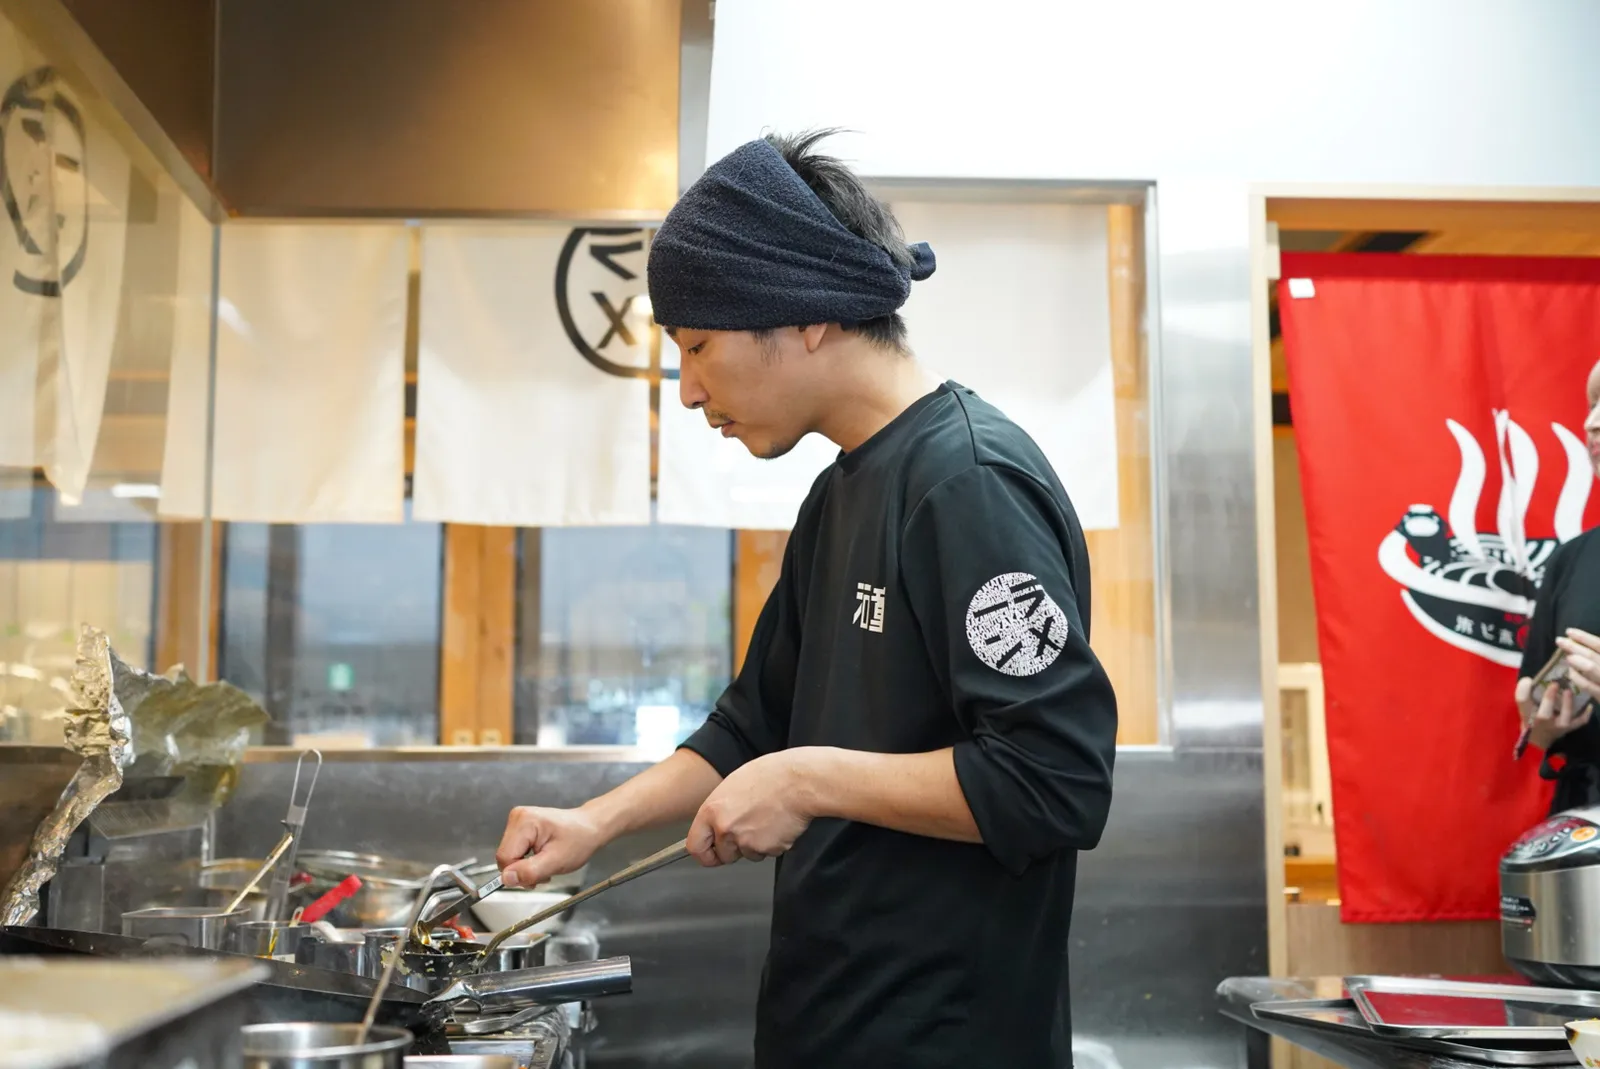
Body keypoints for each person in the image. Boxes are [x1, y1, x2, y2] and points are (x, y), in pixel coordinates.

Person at [496, 130, 1118, 1069]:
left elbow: (1055, 780)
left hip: (944, 1040)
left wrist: (808, 779)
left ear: (808, 314)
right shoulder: (842, 492)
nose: (691, 390)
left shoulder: (968, 483)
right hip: (827, 1025)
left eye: (699, 345)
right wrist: (597, 821)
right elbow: (755, 725)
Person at [1517, 357, 1600, 813]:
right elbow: (1533, 717)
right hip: (1583, 816)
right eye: (1590, 404)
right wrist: (1545, 726)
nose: (1592, 422)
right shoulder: (1570, 559)